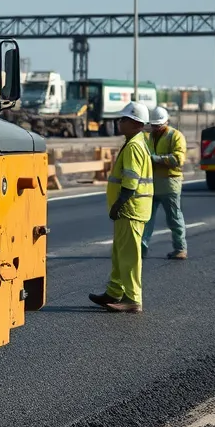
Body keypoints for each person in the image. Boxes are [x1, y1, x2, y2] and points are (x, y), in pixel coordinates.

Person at [89, 101, 154, 314]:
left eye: (124, 119)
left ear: (136, 123)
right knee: (119, 254)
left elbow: (131, 182)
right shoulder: (134, 142)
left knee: (129, 257)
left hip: (130, 209)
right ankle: (114, 292)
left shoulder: (135, 146)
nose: (120, 122)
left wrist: (119, 204)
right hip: (129, 210)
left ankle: (133, 299)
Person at [141, 106, 188, 260]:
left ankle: (180, 248)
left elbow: (178, 159)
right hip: (152, 184)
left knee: (174, 218)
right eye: (153, 125)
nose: (155, 128)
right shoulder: (150, 137)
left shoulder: (176, 136)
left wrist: (156, 159)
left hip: (170, 183)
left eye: (158, 125)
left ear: (166, 122)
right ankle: (141, 249)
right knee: (146, 219)